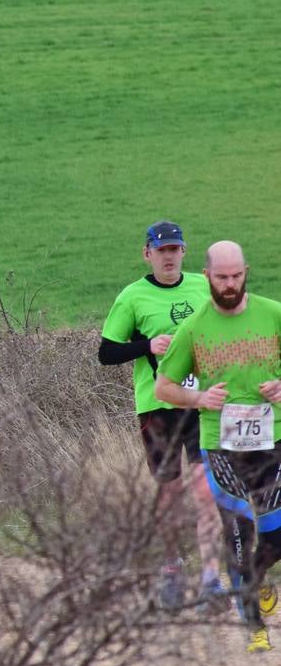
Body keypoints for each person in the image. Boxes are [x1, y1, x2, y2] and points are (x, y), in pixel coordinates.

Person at [155, 240, 281, 653]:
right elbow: (164, 386)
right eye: (222, 277)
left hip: (271, 440)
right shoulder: (194, 329)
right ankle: (253, 625)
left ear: (246, 272)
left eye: (236, 275)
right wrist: (198, 399)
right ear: (207, 276)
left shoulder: (273, 313)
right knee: (238, 532)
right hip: (220, 445)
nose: (230, 284)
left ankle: (258, 581)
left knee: (274, 535)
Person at [99, 221, 225, 610]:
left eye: (175, 249)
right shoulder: (132, 297)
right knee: (170, 492)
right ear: (147, 254)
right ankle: (171, 571)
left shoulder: (202, 287)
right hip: (156, 408)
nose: (168, 256)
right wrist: (146, 345)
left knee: (206, 491)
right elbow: (106, 353)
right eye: (161, 250)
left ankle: (211, 580)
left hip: (199, 404)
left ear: (184, 252)